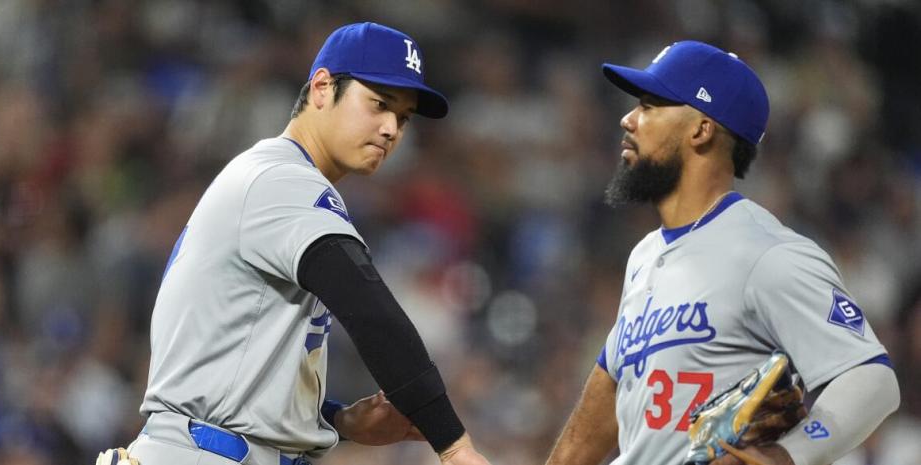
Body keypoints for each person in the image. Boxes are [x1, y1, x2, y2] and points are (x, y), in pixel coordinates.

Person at [104, 22, 491, 465]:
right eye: (379, 104)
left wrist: (337, 421)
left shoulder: (274, 179)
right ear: (323, 87)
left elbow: (237, 363)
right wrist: (454, 444)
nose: (391, 129)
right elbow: (369, 309)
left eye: (402, 117)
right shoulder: (282, 179)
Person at [544, 41, 900, 465]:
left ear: (701, 129)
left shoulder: (767, 253)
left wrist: (788, 455)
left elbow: (873, 379)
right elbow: (607, 396)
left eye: (650, 105)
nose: (629, 119)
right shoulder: (644, 255)